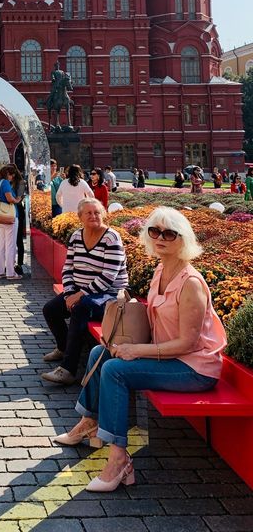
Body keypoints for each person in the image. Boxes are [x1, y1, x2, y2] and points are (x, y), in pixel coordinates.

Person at [55, 206, 226, 492]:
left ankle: (119, 457)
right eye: (154, 231)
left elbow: (188, 344)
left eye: (169, 233)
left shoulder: (191, 283)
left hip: (194, 368)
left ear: (183, 239)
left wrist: (137, 350)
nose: (160, 238)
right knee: (101, 353)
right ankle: (89, 422)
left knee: (115, 371)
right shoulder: (160, 270)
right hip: (170, 357)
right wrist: (123, 341)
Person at [42, 198, 128, 386]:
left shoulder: (111, 238)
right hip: (82, 293)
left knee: (80, 308)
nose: (93, 216)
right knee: (50, 309)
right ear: (80, 216)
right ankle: (64, 348)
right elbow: (68, 268)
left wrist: (79, 295)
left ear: (103, 214)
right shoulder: (76, 236)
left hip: (110, 295)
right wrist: (69, 293)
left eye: (97, 212)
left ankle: (68, 370)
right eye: (88, 213)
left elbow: (108, 277)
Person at [0, 164, 23, 280]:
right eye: (12, 175)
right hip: (10, 217)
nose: (12, 177)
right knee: (10, 245)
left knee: (0, 244)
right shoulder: (4, 183)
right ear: (8, 174)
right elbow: (9, 198)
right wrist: (17, 200)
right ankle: (10, 272)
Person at [9, 164, 27, 275]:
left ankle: (19, 264)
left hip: (18, 210)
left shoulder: (20, 182)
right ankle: (10, 264)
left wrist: (10, 199)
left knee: (18, 239)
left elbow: (19, 198)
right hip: (9, 210)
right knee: (10, 240)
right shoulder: (7, 182)